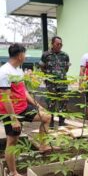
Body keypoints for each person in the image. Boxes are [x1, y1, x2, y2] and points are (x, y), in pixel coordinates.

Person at [0, 44, 52, 176]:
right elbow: (5, 97)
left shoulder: (18, 69)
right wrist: (13, 119)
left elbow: (23, 91)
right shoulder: (4, 71)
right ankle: (13, 172)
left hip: (23, 107)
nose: (25, 56)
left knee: (46, 117)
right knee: (12, 141)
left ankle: (43, 145)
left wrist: (37, 105)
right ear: (19, 55)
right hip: (10, 112)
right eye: (24, 54)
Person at [39, 36, 70, 128]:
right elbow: (42, 66)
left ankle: (61, 122)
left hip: (63, 83)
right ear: (52, 44)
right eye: (57, 44)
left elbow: (66, 68)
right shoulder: (46, 55)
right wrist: (48, 75)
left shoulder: (65, 55)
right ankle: (51, 123)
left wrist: (60, 75)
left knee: (63, 103)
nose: (59, 46)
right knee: (51, 103)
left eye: (61, 44)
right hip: (51, 84)